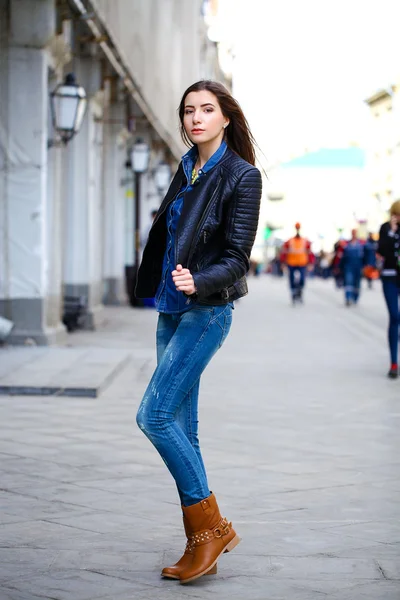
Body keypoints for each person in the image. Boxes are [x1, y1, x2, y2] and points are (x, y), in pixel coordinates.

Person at [134, 80, 262, 583]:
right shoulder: (187, 166)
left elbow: (236, 257)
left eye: (207, 109)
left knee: (154, 415)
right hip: (171, 308)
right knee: (183, 428)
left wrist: (198, 279)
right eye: (189, 110)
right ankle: (200, 541)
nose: (196, 118)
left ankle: (213, 528)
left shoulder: (241, 176)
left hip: (206, 311)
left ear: (226, 117)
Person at [377, 200, 400, 379]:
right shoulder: (385, 228)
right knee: (394, 316)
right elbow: (382, 250)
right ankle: (393, 362)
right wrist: (392, 232)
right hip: (390, 277)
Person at [280, 223, 313, 304]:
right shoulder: (289, 241)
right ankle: (293, 292)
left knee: (302, 279)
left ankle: (300, 291)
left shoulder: (305, 241)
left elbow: (310, 253)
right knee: (291, 279)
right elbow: (284, 252)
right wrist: (283, 263)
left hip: (302, 263)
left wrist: (310, 263)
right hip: (291, 263)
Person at [340, 228, 365, 306]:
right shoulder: (347, 244)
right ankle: (348, 298)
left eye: (355, 233)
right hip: (348, 267)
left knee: (357, 284)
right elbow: (343, 257)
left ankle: (355, 298)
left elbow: (366, 256)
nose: (354, 234)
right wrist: (340, 267)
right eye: (352, 233)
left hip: (358, 266)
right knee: (348, 282)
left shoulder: (361, 244)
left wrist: (365, 266)